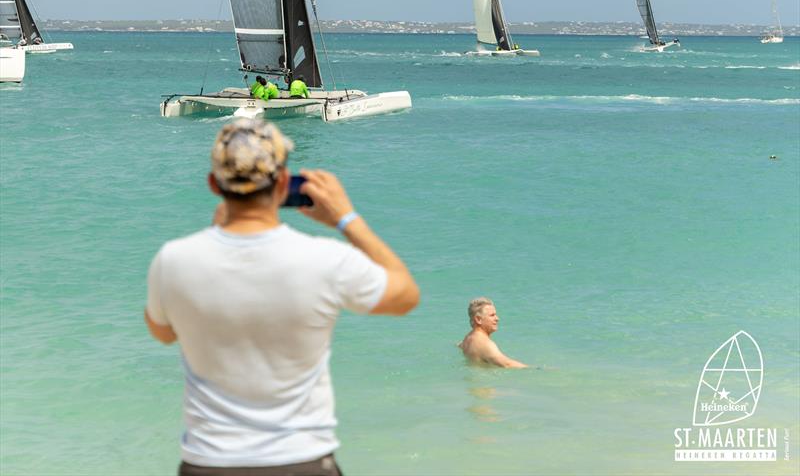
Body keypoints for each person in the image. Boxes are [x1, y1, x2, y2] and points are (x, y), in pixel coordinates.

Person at [145, 119, 418, 476]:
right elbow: (405, 295)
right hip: (303, 461)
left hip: (209, 463)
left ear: (214, 184)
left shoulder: (174, 259)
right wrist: (346, 218)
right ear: (285, 183)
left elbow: (164, 333)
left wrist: (216, 235)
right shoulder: (326, 259)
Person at [458, 297, 527, 368]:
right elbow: (506, 364)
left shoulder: (468, 338)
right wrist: (533, 368)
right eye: (492, 315)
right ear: (478, 319)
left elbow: (459, 345)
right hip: (483, 378)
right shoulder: (485, 344)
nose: (497, 318)